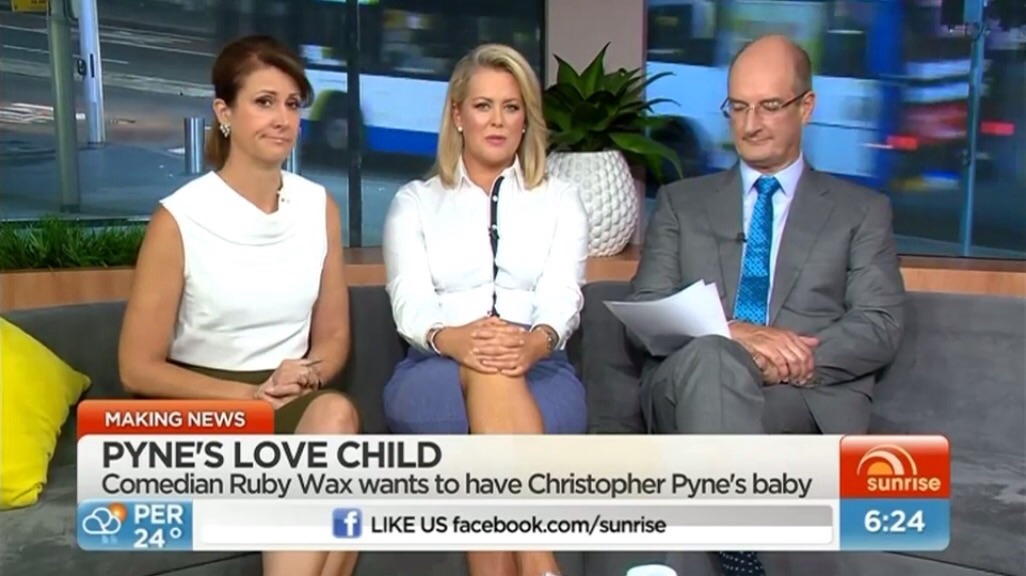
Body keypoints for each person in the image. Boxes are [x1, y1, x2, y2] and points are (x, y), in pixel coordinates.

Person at [628, 35, 906, 576]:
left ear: (807, 106)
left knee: (717, 406)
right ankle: (740, 551)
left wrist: (784, 359)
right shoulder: (683, 203)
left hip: (800, 399)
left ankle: (728, 545)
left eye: (769, 106)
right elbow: (648, 307)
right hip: (688, 387)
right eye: (738, 107)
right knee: (714, 358)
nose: (750, 124)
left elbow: (880, 324)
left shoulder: (861, 211)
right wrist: (731, 334)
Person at [118, 35, 360, 576]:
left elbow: (334, 337)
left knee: (337, 418)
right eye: (264, 102)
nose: (282, 119)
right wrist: (248, 396)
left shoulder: (318, 206)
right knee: (347, 505)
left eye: (292, 104)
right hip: (201, 404)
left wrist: (304, 374)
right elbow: (136, 368)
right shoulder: (179, 218)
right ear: (224, 113)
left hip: (287, 396)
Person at [380, 43, 589, 576]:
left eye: (511, 107)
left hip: (542, 369)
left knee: (495, 376)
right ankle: (539, 558)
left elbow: (564, 293)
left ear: (525, 119)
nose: (497, 120)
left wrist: (533, 342)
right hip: (434, 368)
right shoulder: (415, 202)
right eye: (482, 106)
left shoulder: (561, 198)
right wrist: (458, 340)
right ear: (457, 115)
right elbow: (409, 301)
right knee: (489, 369)